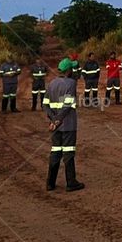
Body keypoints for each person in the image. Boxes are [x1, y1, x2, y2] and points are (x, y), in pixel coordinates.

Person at [44, 58, 84, 192]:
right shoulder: (71, 83)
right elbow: (67, 105)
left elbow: (45, 104)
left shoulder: (52, 83)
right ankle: (71, 182)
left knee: (55, 151)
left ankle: (50, 183)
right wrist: (58, 120)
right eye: (71, 68)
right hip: (67, 124)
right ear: (68, 71)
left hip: (55, 125)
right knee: (68, 152)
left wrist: (53, 119)